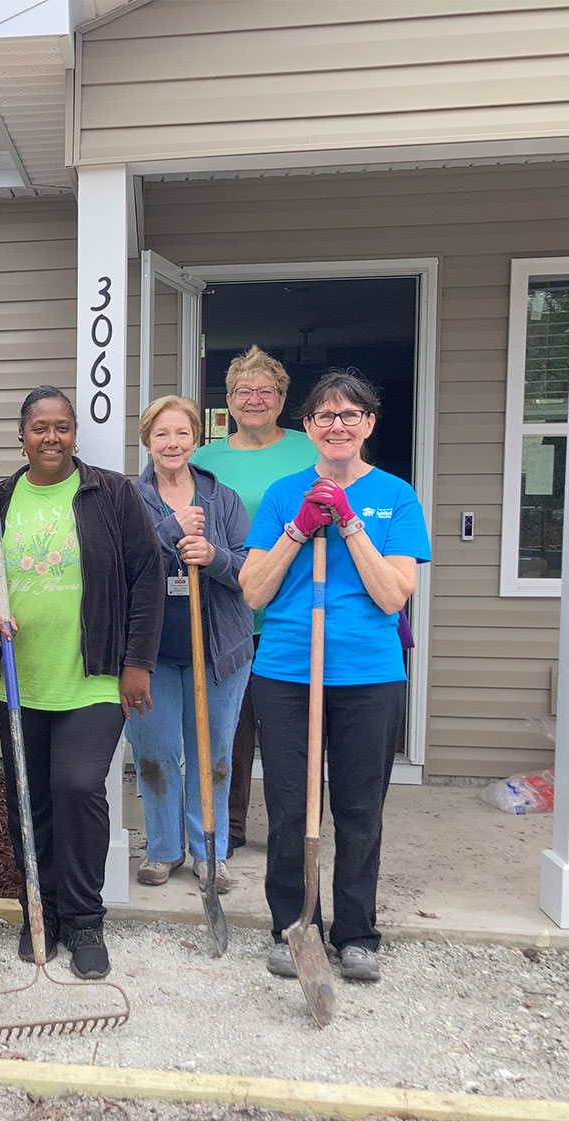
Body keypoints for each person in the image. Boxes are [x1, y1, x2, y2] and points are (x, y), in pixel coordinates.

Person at [0, 386, 163, 980]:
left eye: (62, 427)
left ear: (74, 434)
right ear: (22, 436)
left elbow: (146, 577)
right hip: (16, 679)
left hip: (94, 675)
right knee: (30, 796)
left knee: (75, 787)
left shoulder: (111, 493)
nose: (52, 437)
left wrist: (137, 661)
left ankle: (84, 917)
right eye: (39, 428)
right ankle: (36, 907)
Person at [238, 369, 430, 985]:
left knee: (357, 808)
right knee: (292, 807)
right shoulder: (280, 494)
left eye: (350, 415)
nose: (337, 425)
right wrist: (298, 528)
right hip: (288, 669)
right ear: (308, 427)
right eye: (324, 416)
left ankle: (356, 933)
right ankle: (292, 926)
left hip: (368, 673)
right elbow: (252, 591)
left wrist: (349, 523)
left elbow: (394, 595)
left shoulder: (396, 497)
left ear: (369, 424)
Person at [191, 347, 319, 854]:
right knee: (232, 725)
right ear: (229, 400)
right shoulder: (205, 458)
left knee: (293, 725)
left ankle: (297, 829)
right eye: (244, 391)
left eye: (266, 391)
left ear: (283, 399)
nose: (255, 399)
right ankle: (232, 824)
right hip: (228, 609)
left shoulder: (311, 451)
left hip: (293, 606)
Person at [124, 396, 252, 892]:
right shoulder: (129, 500)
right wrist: (166, 533)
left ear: (195, 439)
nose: (172, 443)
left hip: (219, 651)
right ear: (147, 441)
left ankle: (210, 852)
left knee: (212, 753)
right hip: (150, 654)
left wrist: (214, 556)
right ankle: (163, 849)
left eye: (181, 433)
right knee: (154, 751)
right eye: (161, 434)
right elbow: (118, 566)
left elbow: (252, 570)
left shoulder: (223, 500)